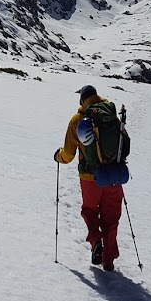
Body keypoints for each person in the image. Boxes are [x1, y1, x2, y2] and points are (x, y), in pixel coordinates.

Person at [54, 84, 123, 271]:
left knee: (90, 211)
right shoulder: (112, 116)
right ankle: (109, 260)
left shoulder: (77, 119)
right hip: (114, 175)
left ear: (82, 100)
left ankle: (96, 242)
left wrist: (58, 156)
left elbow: (68, 154)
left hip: (90, 177)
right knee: (111, 218)